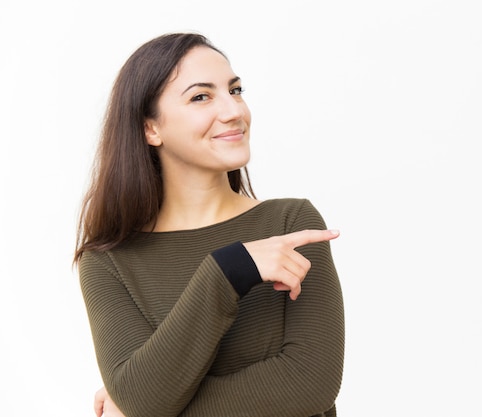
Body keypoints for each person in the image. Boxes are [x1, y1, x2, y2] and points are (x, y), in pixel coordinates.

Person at [73, 32, 345, 417]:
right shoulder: (108, 262)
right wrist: (229, 271)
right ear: (151, 129)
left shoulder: (290, 223)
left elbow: (308, 383)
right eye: (201, 96)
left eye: (235, 90)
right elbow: (141, 398)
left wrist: (147, 408)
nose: (234, 110)